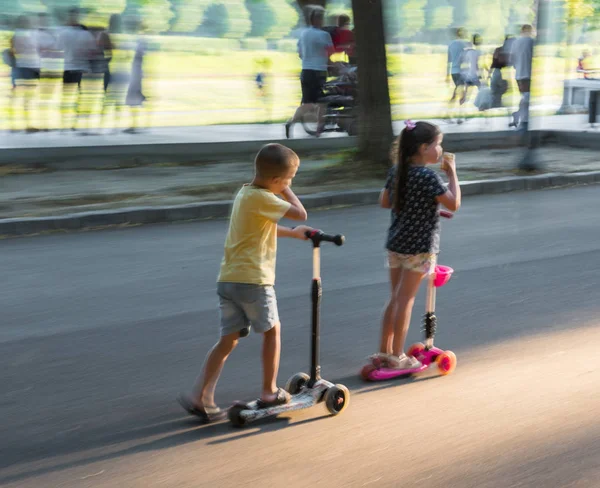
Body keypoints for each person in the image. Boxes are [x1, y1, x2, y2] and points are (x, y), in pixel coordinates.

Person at [178, 143, 313, 422]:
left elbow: (262, 229)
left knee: (227, 341)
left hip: (229, 280)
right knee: (272, 332)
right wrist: (286, 188)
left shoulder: (246, 194)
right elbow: (301, 213)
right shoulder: (267, 196)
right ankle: (269, 391)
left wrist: (294, 234)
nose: (289, 185)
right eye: (288, 179)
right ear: (276, 180)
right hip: (254, 281)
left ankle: (200, 396)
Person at [369, 121, 461, 370]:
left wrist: (425, 210)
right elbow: (453, 203)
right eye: (437, 145)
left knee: (395, 298)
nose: (440, 150)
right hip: (419, 248)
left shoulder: (398, 171)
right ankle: (398, 355)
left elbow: (386, 202)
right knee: (405, 301)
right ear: (423, 148)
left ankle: (384, 350)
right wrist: (451, 172)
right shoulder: (428, 176)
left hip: (396, 243)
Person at [285, 6, 333, 138]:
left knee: (317, 102)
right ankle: (293, 123)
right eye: (322, 18)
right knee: (316, 102)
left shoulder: (304, 34)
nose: (323, 21)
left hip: (305, 71)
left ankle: (317, 130)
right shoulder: (324, 35)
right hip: (318, 72)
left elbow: (300, 54)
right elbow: (331, 53)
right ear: (317, 20)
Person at [510, 24, 534, 130]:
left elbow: (512, 58)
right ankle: (521, 118)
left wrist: (517, 66)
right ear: (528, 31)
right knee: (526, 97)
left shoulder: (515, 42)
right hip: (528, 73)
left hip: (519, 74)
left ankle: (520, 117)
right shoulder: (531, 41)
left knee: (525, 96)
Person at [446, 27, 469, 123]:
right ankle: (459, 117)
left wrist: (447, 75)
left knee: (458, 93)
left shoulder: (451, 45)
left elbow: (449, 61)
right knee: (462, 94)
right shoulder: (465, 44)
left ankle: (452, 115)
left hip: (454, 72)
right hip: (461, 72)